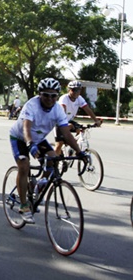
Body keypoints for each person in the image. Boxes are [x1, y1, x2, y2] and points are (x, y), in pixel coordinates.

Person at [9, 78, 86, 224]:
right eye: (46, 95)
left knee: (53, 159)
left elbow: (67, 134)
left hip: (38, 139)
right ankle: (24, 206)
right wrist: (30, 144)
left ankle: (38, 185)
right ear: (39, 94)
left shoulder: (57, 109)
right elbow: (26, 127)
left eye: (53, 96)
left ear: (57, 96)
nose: (50, 99)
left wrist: (79, 152)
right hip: (20, 137)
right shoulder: (31, 105)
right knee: (24, 165)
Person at [54, 81, 102, 155]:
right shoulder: (64, 98)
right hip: (59, 122)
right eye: (74, 90)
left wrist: (96, 121)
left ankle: (71, 148)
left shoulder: (79, 98)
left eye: (79, 90)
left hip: (69, 120)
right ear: (69, 90)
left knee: (80, 130)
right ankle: (53, 164)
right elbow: (62, 113)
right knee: (59, 144)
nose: (76, 92)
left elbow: (87, 109)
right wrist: (66, 124)